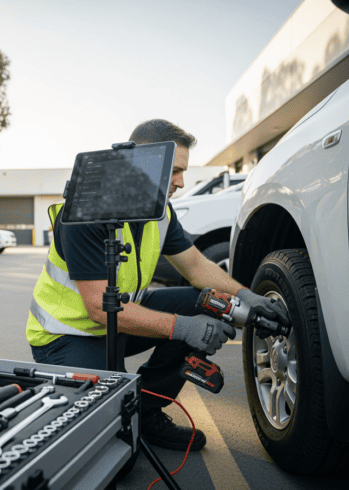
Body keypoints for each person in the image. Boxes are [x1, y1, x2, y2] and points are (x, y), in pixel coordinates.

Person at [26, 119, 289, 452]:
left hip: (118, 322)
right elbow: (97, 308)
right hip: (68, 335)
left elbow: (195, 266)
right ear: (142, 161)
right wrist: (184, 328)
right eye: (175, 171)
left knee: (206, 301)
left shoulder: (160, 212)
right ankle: (126, 411)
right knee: (110, 446)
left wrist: (246, 296)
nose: (181, 182)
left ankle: (146, 411)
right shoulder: (84, 214)